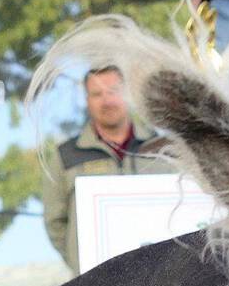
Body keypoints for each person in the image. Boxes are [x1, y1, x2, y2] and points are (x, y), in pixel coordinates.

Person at [41, 66, 168, 274]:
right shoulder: (65, 156)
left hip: (159, 280)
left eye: (113, 91)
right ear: (87, 100)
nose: (107, 101)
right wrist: (82, 263)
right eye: (97, 94)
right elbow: (55, 224)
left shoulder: (164, 148)